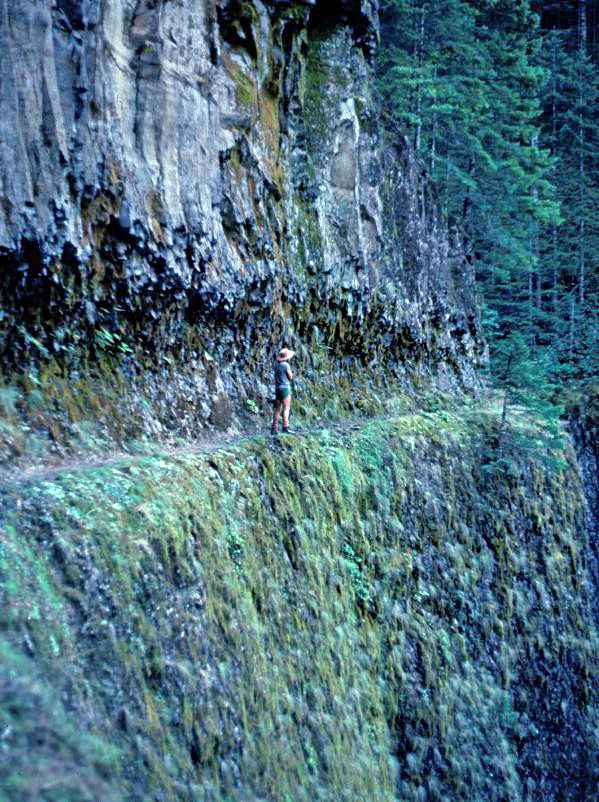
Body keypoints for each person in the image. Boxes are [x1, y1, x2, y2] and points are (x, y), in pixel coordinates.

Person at [271, 347, 295, 434]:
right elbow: (290, 377)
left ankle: (273, 428)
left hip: (277, 389)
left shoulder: (276, 366)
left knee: (277, 409)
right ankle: (285, 427)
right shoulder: (286, 365)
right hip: (285, 388)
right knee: (286, 409)